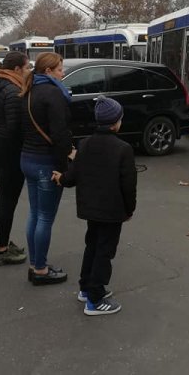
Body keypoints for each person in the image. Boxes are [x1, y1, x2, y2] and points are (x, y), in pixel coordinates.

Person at [53, 96, 137, 316]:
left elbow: (73, 175)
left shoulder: (85, 143)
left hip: (90, 209)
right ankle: (95, 299)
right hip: (112, 211)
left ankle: (86, 287)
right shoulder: (123, 149)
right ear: (115, 122)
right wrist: (129, 210)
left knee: (92, 246)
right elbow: (129, 185)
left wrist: (61, 178)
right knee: (104, 253)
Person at [21, 52, 72, 285]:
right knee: (45, 217)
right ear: (49, 72)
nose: (63, 73)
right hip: (46, 162)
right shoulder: (53, 94)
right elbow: (60, 134)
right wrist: (63, 168)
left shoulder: (28, 90)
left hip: (28, 158)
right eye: (60, 69)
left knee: (34, 213)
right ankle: (40, 269)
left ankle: (34, 264)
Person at [0, 51, 30, 266]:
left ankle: (3, 243)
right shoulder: (12, 91)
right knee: (7, 201)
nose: (29, 71)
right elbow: (14, 129)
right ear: (17, 69)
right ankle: (2, 250)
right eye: (27, 67)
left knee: (5, 199)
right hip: (9, 151)